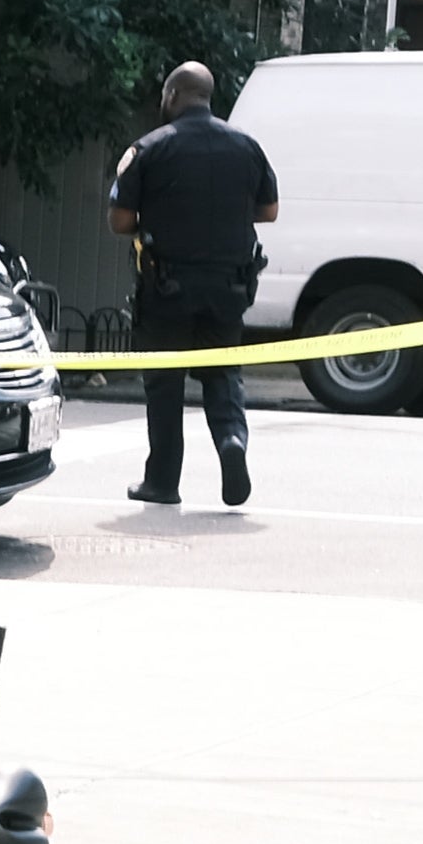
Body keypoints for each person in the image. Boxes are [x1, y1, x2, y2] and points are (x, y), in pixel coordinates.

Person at [107, 59, 277, 508]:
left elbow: (119, 220)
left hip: (167, 289)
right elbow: (269, 210)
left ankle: (162, 481)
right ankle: (231, 443)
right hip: (229, 289)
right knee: (223, 375)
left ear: (174, 95)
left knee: (164, 384)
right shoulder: (247, 147)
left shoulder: (148, 148)